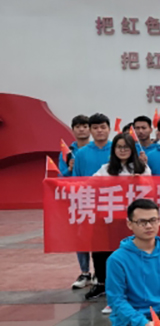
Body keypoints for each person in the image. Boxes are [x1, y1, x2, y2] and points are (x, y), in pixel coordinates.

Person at [92, 133, 151, 313]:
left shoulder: (142, 168)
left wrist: (140, 181)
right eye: (119, 147)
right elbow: (91, 185)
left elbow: (150, 192)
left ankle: (138, 296)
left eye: (126, 147)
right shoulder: (106, 169)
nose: (123, 150)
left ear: (132, 149)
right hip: (113, 222)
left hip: (136, 222)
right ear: (114, 149)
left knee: (136, 258)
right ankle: (115, 299)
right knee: (114, 260)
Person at [72, 113, 114, 302]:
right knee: (97, 244)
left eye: (103, 127)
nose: (99, 131)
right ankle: (100, 281)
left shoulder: (116, 149)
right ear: (90, 130)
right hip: (93, 205)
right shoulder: (81, 154)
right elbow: (77, 180)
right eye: (95, 128)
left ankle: (116, 280)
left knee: (115, 244)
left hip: (115, 205)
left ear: (109, 129)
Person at [62, 115, 93, 291]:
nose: (81, 129)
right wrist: (69, 169)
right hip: (79, 199)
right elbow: (60, 177)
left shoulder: (98, 149)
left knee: (99, 236)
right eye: (78, 127)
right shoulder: (67, 152)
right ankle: (85, 272)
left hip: (100, 198)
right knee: (81, 237)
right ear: (72, 130)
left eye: (84, 126)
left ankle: (99, 273)